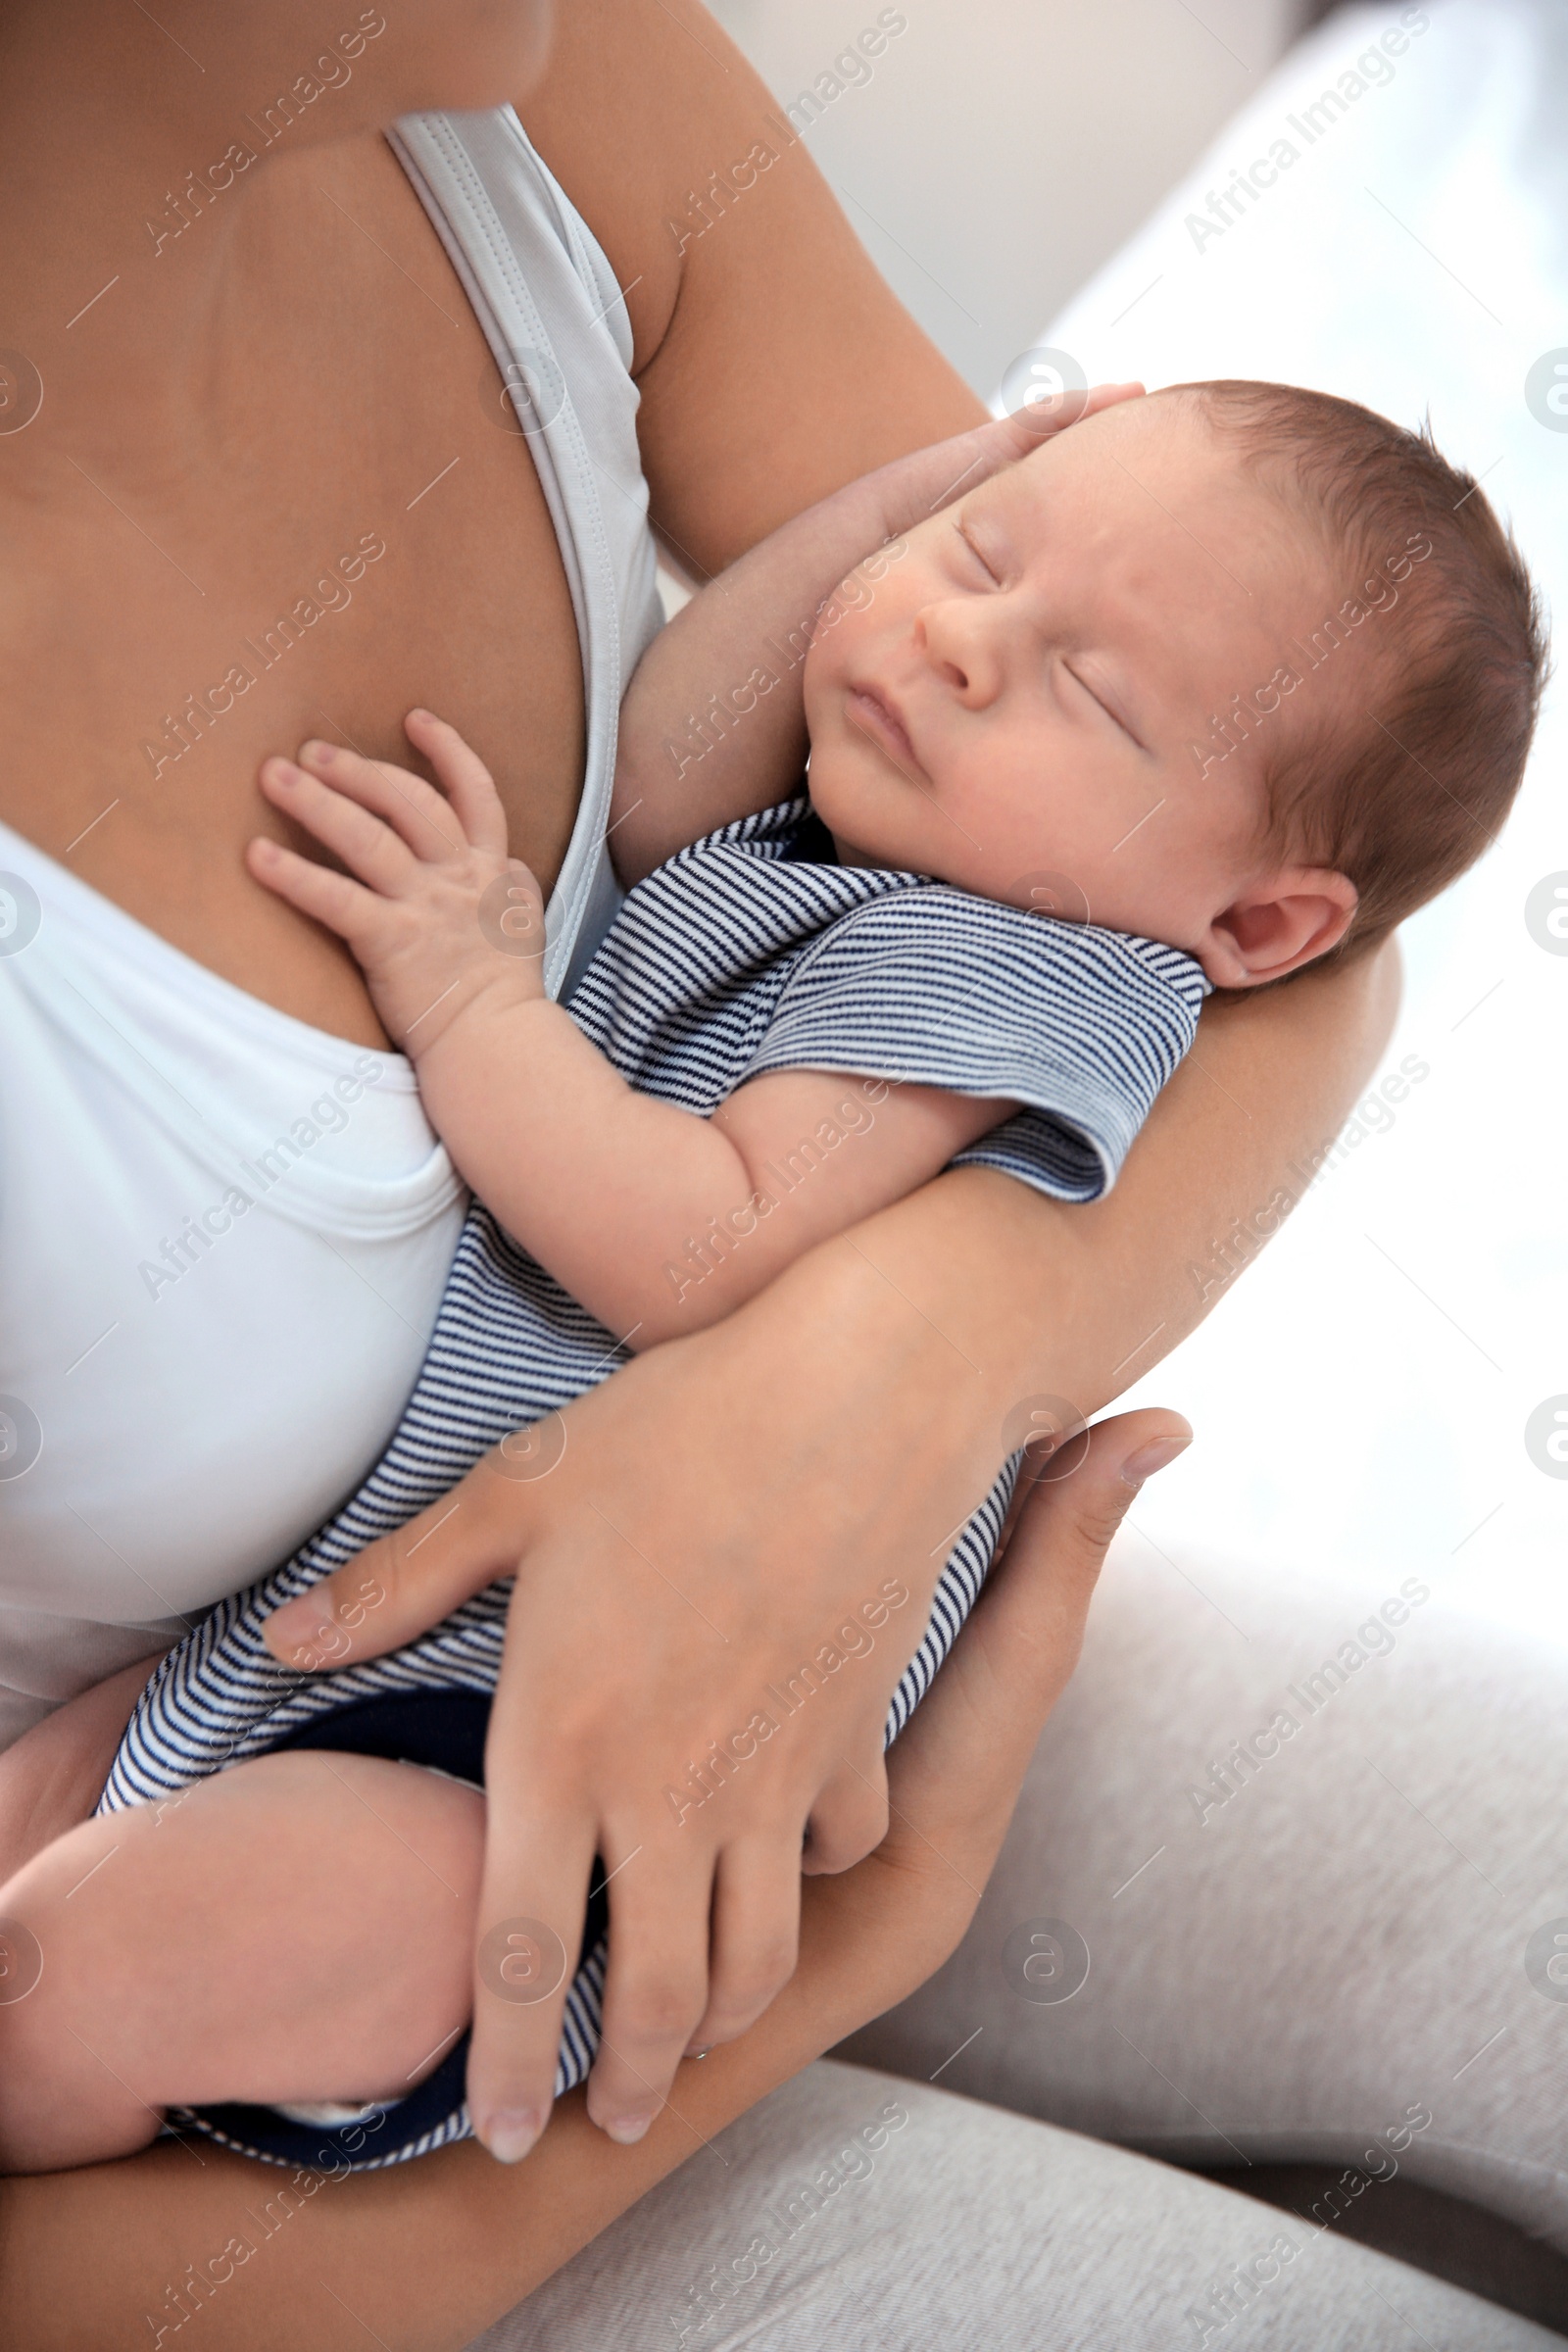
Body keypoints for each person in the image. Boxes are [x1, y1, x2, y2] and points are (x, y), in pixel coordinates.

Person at [1, 3, 1558, 2344]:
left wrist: (484, 1013)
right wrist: (857, 1950)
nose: (943, 645)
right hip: (428, 1697)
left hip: (488, 1732)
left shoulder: (1002, 974)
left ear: (1242, 917)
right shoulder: (899, 816)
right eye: (976, 558)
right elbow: (691, 752)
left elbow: (687, 1233)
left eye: (1087, 696)